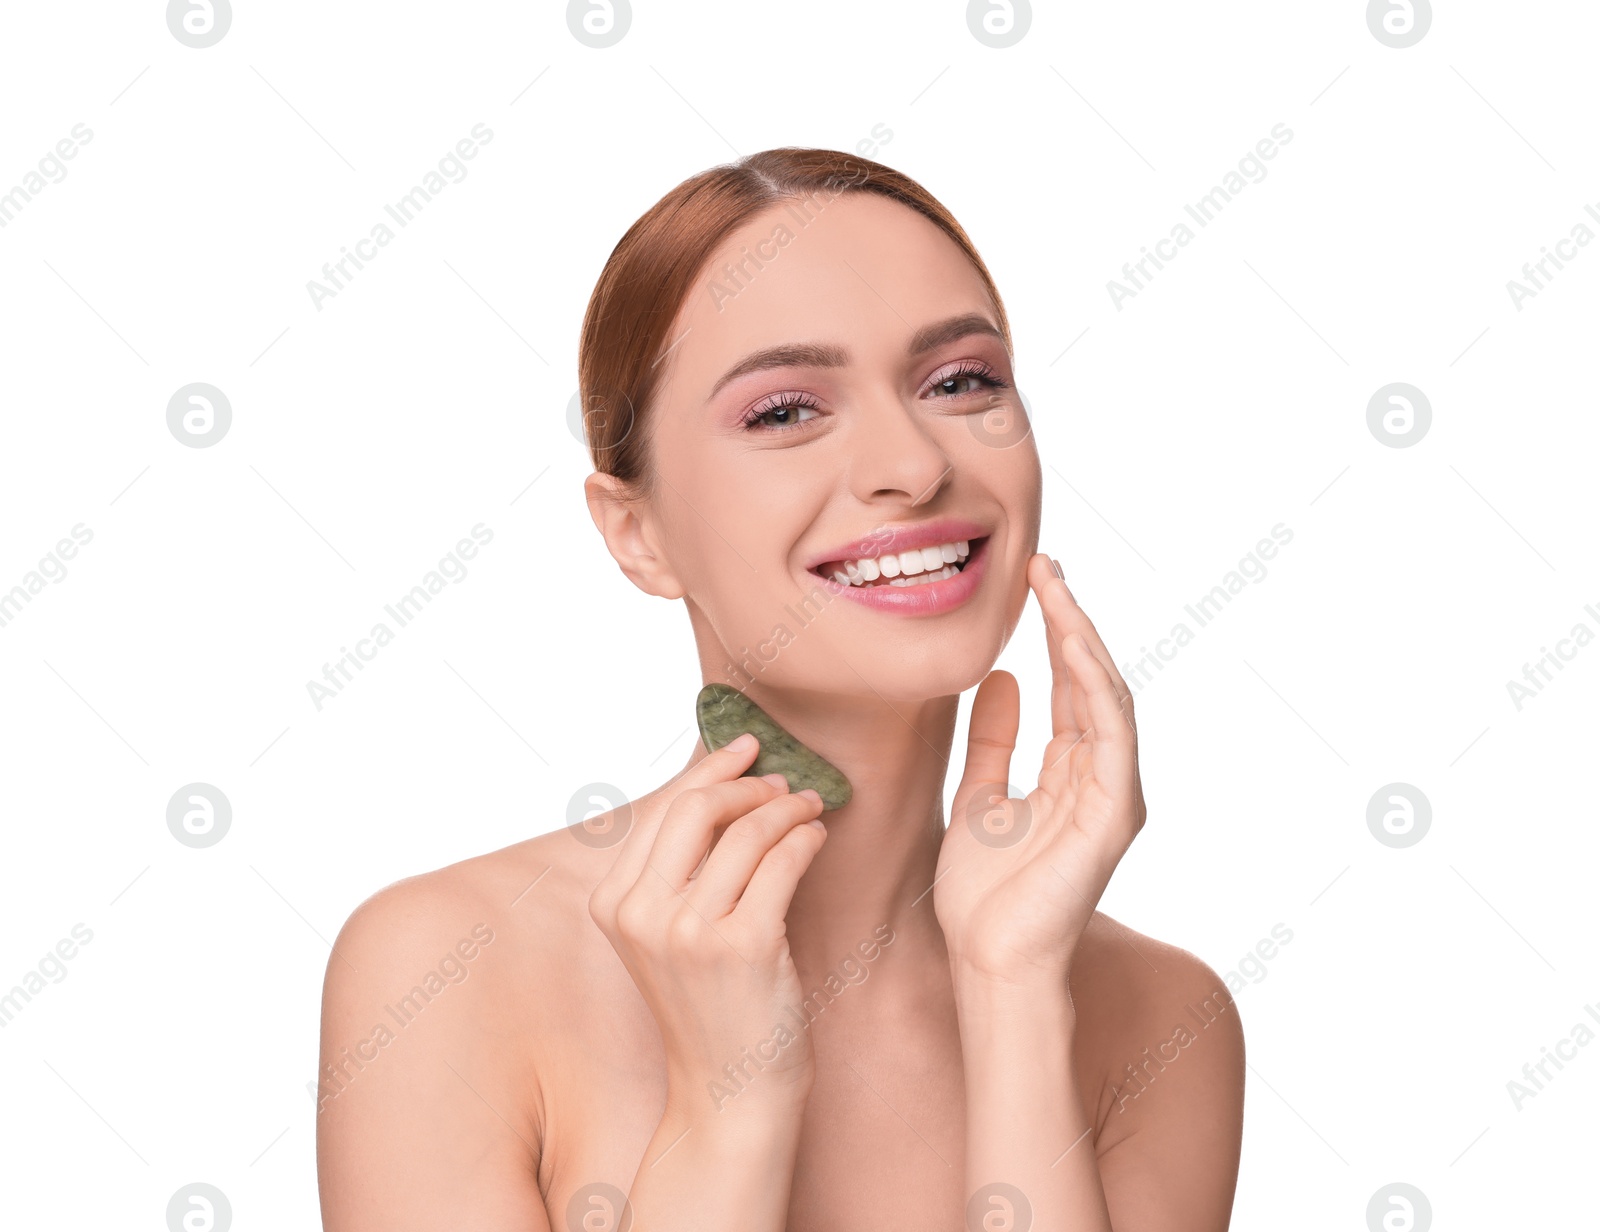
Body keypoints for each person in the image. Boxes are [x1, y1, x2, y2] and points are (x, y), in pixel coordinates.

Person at [316, 147, 1245, 1232]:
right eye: (785, 410)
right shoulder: (445, 968)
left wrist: (1013, 996)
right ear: (638, 532)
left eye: (959, 382)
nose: (909, 461)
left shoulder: (1159, 1017)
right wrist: (731, 1106)